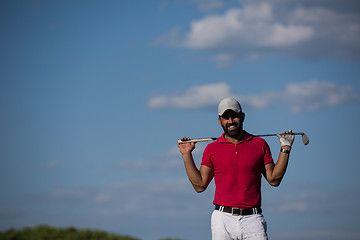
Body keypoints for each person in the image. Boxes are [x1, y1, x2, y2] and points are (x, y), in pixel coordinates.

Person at [177, 97, 294, 240]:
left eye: (234, 116)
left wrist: (285, 148)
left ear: (242, 117)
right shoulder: (211, 148)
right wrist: (186, 154)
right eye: (226, 117)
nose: (231, 121)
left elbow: (274, 180)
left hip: (253, 218)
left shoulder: (259, 144)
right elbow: (199, 185)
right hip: (222, 219)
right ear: (220, 121)